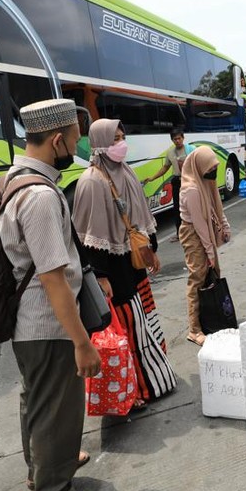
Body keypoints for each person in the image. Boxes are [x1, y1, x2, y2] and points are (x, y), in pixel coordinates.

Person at [0, 99, 110, 491]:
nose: (78, 149)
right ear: (58, 139)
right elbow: (52, 278)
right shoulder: (41, 196)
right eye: (76, 140)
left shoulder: (14, 177)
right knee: (58, 409)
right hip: (47, 325)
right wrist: (82, 342)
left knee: (38, 402)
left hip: (30, 325)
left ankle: (42, 467)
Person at [73, 118, 177, 404]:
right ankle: (135, 391)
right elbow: (90, 236)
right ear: (99, 145)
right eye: (114, 139)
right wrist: (101, 277)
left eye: (122, 136)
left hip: (133, 264)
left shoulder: (126, 171)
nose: (121, 144)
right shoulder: (92, 181)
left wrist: (150, 251)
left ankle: (153, 378)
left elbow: (139, 220)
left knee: (144, 324)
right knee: (128, 330)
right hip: (114, 274)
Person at [178, 146, 232, 346]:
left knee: (211, 274)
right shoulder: (191, 189)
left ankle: (209, 319)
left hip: (203, 229)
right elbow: (200, 224)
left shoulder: (204, 182)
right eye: (210, 168)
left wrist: (224, 226)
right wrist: (210, 252)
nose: (213, 172)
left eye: (215, 167)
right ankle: (194, 330)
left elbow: (214, 207)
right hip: (193, 233)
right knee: (198, 278)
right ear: (200, 167)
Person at [145, 127, 194, 242]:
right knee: (177, 208)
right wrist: (152, 178)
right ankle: (179, 234)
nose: (177, 141)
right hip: (177, 181)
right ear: (172, 140)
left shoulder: (191, 149)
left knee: (191, 206)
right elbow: (165, 168)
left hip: (190, 181)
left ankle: (194, 232)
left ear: (183, 138)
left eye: (179, 138)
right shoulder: (170, 152)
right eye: (175, 139)